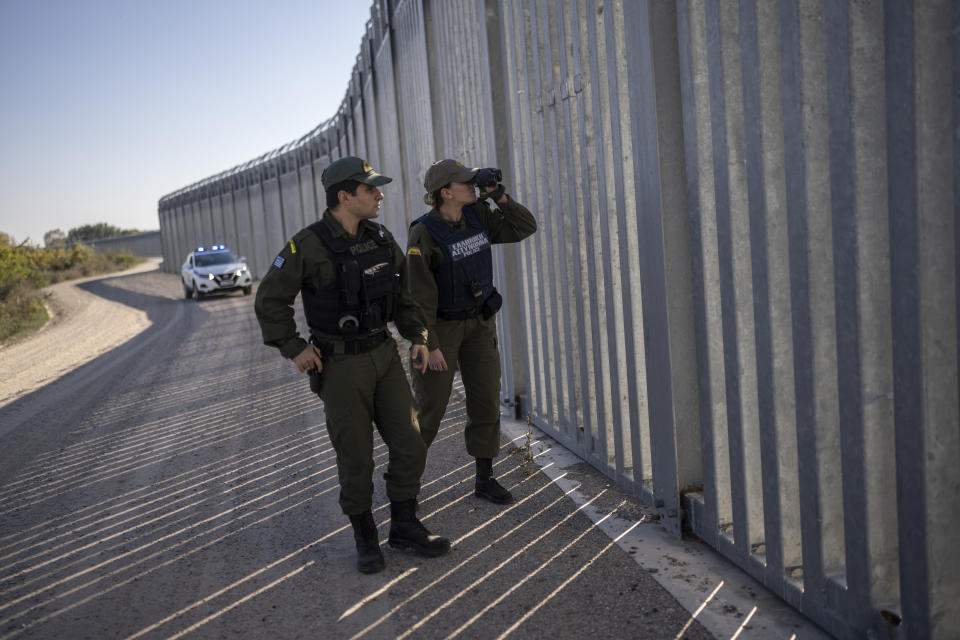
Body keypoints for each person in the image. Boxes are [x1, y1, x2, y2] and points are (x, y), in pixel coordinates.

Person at [254, 156, 450, 574]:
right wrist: (294, 347)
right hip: (341, 366)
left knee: (411, 442)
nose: (380, 195)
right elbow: (270, 300)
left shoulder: (380, 238)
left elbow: (404, 297)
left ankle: (404, 526)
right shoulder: (306, 245)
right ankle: (366, 537)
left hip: (383, 355)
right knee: (355, 456)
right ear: (344, 196)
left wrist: (419, 336)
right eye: (369, 189)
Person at [406, 159, 536, 505]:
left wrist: (499, 197)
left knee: (485, 401)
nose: (473, 186)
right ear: (445, 192)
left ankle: (485, 478)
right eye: (466, 183)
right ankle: (404, 487)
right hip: (442, 330)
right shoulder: (424, 232)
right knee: (429, 408)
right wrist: (429, 344)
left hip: (479, 324)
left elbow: (524, 227)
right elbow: (418, 296)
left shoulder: (478, 214)